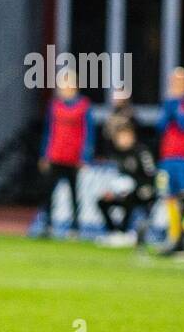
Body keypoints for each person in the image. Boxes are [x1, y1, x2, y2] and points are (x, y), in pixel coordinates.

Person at [37, 69, 92, 237]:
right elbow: (48, 132)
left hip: (73, 158)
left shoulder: (84, 106)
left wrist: (85, 156)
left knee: (74, 194)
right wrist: (44, 154)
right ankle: (48, 225)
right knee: (48, 192)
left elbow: (89, 133)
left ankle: (75, 227)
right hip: (55, 155)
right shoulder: (54, 106)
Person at [156, 67, 184, 254]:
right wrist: (171, 104)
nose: (176, 85)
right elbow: (160, 125)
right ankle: (173, 236)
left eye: (179, 81)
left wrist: (175, 103)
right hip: (167, 157)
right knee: (169, 196)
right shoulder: (169, 102)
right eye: (173, 81)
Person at [96, 121, 157, 245]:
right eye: (119, 137)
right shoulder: (116, 154)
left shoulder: (142, 152)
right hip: (123, 190)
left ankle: (124, 232)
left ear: (132, 136)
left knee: (129, 198)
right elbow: (116, 177)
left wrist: (135, 187)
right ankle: (113, 232)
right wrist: (112, 191)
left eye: (125, 136)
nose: (121, 140)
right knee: (102, 201)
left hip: (143, 190)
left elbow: (151, 175)